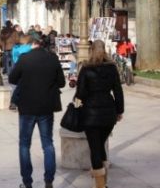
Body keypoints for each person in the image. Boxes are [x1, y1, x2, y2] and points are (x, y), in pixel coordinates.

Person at [9, 37, 65, 188]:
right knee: (47, 144)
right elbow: (62, 82)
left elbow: (12, 79)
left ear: (32, 45)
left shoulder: (24, 58)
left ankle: (27, 182)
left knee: (24, 144)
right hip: (46, 107)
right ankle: (49, 180)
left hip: (27, 107)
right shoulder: (52, 58)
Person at [74, 40, 124, 188]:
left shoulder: (86, 69)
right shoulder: (112, 68)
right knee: (100, 145)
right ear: (104, 50)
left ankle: (100, 185)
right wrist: (119, 110)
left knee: (95, 148)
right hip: (108, 113)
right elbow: (118, 91)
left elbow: (81, 93)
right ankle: (103, 181)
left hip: (90, 114)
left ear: (91, 50)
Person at [9, 34, 33, 110]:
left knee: (19, 86)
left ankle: (13, 102)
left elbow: (14, 58)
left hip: (17, 67)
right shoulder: (29, 48)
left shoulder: (15, 48)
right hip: (28, 68)